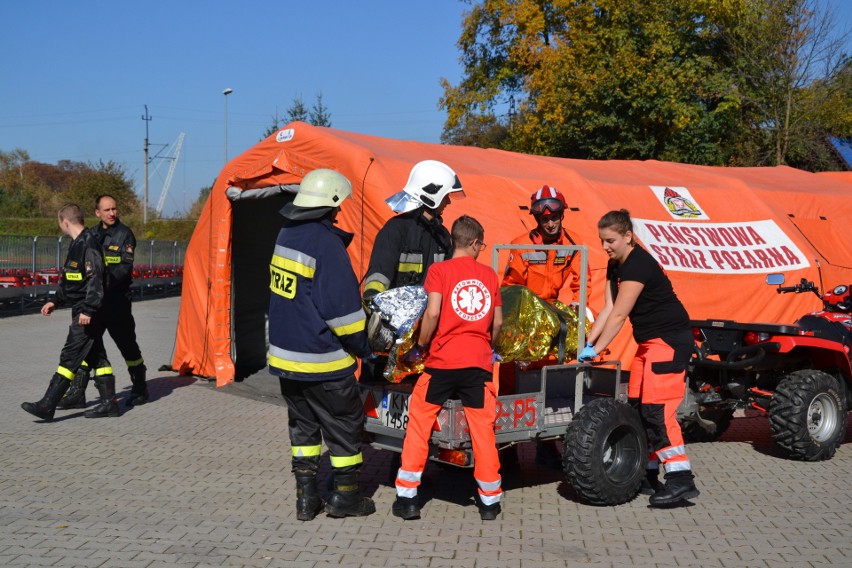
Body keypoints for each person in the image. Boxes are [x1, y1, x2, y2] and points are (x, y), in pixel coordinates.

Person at [267, 168, 376, 521]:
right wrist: (366, 347)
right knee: (344, 428)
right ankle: (345, 499)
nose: (341, 211)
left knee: (303, 430)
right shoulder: (326, 244)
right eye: (339, 206)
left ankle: (306, 499)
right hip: (323, 361)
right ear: (329, 205)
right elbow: (343, 314)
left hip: (286, 360)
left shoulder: (286, 234)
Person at [579, 209, 699, 507]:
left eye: (611, 240)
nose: (605, 246)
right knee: (637, 407)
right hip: (648, 344)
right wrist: (587, 342)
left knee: (658, 412)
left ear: (628, 237)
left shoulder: (638, 264)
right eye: (602, 240)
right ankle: (646, 472)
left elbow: (620, 314)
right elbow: (607, 308)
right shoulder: (615, 265)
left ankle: (680, 479)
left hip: (669, 341)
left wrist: (599, 350)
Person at [392, 215, 504, 521]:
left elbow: (432, 313)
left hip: (441, 363)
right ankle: (490, 502)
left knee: (419, 426)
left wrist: (420, 347)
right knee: (483, 431)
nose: (482, 248)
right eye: (482, 243)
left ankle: (407, 499)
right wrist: (490, 347)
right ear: (474, 242)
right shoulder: (490, 275)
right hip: (477, 366)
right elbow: (498, 322)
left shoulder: (439, 271)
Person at [501, 185, 591, 468]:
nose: (550, 223)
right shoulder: (521, 246)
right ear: (536, 219)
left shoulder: (573, 246)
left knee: (550, 377)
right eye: (544, 219)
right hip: (524, 317)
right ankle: (505, 448)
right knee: (509, 378)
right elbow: (509, 287)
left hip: (551, 316)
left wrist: (580, 310)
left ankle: (548, 445)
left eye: (554, 218)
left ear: (562, 215)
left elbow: (582, 284)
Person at [361, 159, 465, 378]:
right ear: (432, 194)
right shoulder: (395, 230)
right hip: (389, 340)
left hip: (423, 342)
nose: (449, 201)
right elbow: (378, 278)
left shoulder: (443, 237)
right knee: (379, 400)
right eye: (446, 195)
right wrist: (377, 321)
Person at [21, 203, 119, 421]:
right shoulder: (77, 244)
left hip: (89, 312)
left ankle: (47, 404)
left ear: (64, 221)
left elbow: (96, 280)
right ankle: (109, 404)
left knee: (70, 354)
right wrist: (55, 300)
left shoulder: (89, 244)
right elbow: (72, 281)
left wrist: (89, 309)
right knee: (96, 356)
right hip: (83, 309)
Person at [57, 194, 148, 411]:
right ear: (97, 213)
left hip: (117, 303)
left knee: (128, 346)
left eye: (114, 209)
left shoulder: (124, 235)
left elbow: (122, 270)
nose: (112, 213)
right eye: (107, 210)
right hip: (96, 304)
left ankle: (140, 388)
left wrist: (97, 282)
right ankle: (77, 393)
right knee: (90, 347)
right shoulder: (91, 235)